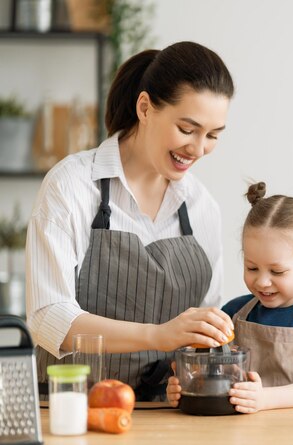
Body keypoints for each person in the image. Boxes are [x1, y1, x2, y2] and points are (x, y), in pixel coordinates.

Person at [26, 41, 236, 400]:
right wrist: (157, 335)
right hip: (72, 407)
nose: (199, 149)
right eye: (187, 129)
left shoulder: (202, 206)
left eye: (213, 135)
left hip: (167, 414)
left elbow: (205, 318)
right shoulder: (72, 186)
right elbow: (49, 318)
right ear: (144, 108)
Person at [166, 182, 293, 413]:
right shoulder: (235, 312)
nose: (262, 282)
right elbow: (211, 375)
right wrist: (186, 386)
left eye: (277, 271)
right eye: (251, 268)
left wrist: (264, 399)